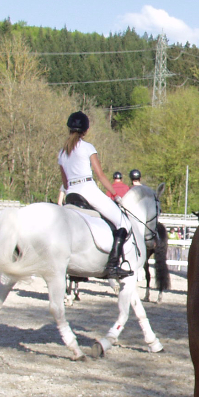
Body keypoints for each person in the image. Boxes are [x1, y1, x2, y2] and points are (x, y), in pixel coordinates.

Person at [57, 112, 133, 279]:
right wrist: (115, 195)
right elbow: (101, 176)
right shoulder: (88, 147)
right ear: (86, 130)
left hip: (71, 195)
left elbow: (65, 182)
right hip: (88, 190)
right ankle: (113, 265)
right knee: (123, 223)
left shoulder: (62, 153)